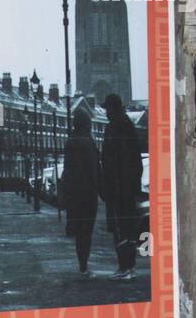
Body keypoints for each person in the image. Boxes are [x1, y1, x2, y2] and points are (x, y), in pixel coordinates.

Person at [100, 92, 143, 279]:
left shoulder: (117, 128)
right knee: (124, 228)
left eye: (107, 108)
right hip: (123, 188)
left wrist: (115, 186)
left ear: (113, 108)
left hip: (119, 189)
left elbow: (118, 162)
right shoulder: (125, 126)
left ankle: (126, 267)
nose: (106, 112)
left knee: (121, 228)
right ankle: (126, 266)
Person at [58, 106, 103, 278]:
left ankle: (82, 264)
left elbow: (67, 169)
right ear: (88, 124)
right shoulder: (89, 142)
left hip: (73, 193)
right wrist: (99, 189)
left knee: (78, 232)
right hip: (87, 193)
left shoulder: (70, 141)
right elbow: (94, 169)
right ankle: (84, 266)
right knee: (87, 231)